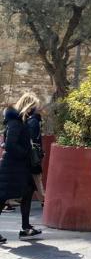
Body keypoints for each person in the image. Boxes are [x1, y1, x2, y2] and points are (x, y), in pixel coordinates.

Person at [0, 92, 43, 242]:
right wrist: (26, 152)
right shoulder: (15, 123)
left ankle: (26, 227)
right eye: (34, 107)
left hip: (20, 166)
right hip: (12, 166)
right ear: (28, 106)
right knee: (3, 196)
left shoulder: (20, 122)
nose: (35, 110)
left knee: (27, 192)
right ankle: (25, 227)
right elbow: (11, 145)